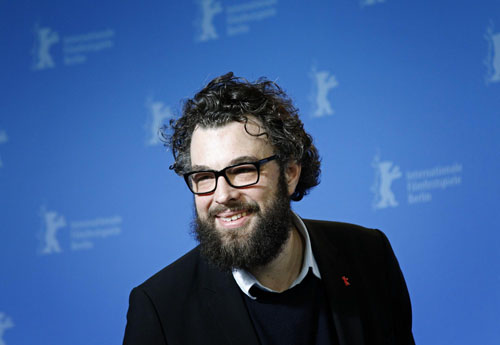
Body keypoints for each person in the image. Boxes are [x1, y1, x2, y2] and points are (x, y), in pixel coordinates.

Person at [123, 72, 415, 345]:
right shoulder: (160, 309)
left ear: (289, 173)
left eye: (242, 170)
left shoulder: (370, 255)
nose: (222, 195)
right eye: (204, 177)